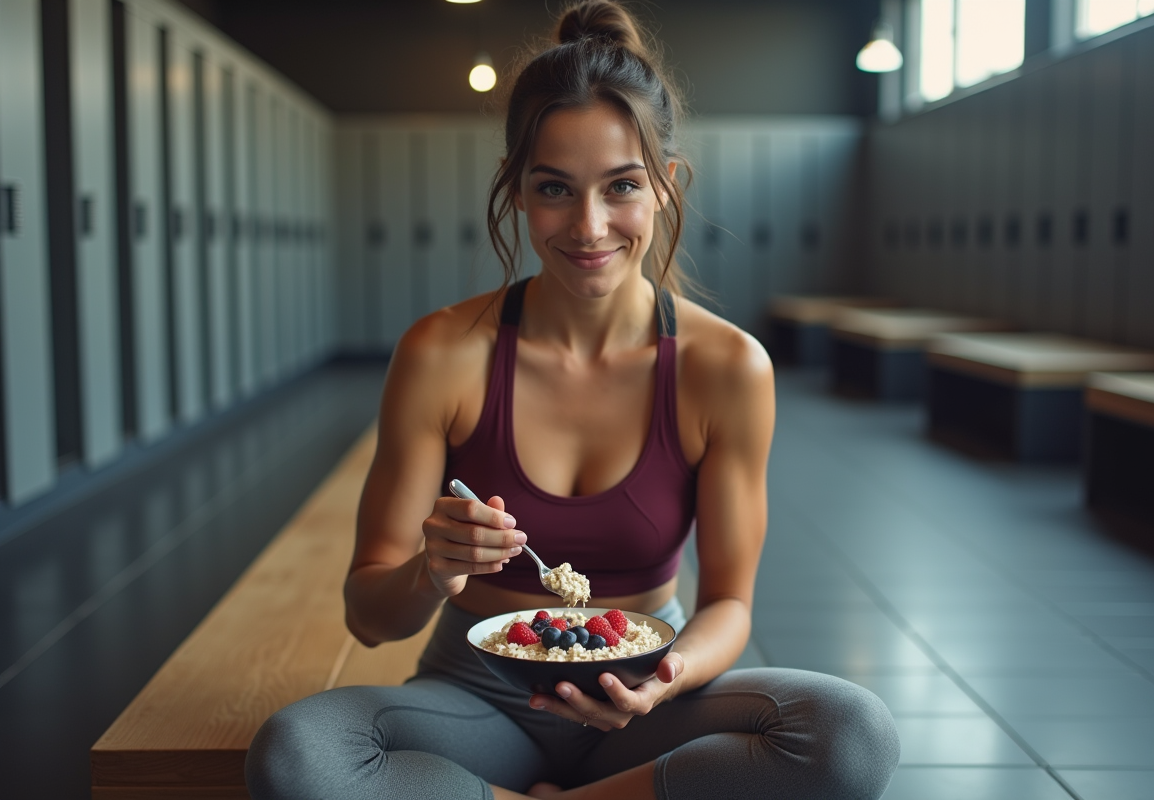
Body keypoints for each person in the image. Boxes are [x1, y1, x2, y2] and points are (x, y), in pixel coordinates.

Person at [245, 2, 900, 798]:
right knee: (297, 752)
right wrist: (432, 571)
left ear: (664, 186)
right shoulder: (442, 353)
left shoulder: (726, 367)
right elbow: (370, 616)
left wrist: (670, 673)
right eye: (555, 187)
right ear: (517, 191)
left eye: (621, 186)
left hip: (647, 697)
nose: (589, 227)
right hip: (477, 697)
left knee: (852, 736)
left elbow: (728, 602)